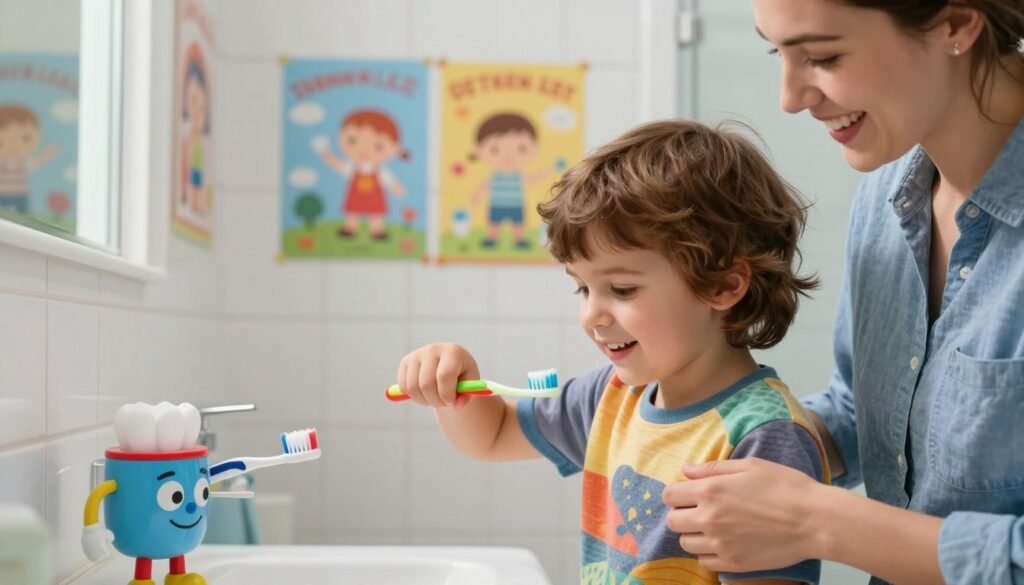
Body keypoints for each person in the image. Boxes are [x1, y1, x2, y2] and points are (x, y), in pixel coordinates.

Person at [662, 2, 1024, 584]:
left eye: (823, 56)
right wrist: (695, 439)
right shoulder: (888, 194)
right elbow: (870, 417)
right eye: (777, 51)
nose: (789, 98)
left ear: (956, 25)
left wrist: (819, 522)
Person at [395, 119, 829, 584]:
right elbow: (494, 434)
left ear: (723, 285)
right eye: (583, 289)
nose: (591, 316)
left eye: (622, 289)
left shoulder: (764, 437)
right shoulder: (613, 395)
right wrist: (452, 383)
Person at [316, 109, 408, 241]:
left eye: (378, 146)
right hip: (356, 195)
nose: (364, 149)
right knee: (352, 210)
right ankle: (350, 228)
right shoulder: (352, 167)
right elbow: (337, 164)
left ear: (394, 149)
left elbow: (389, 180)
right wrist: (325, 153)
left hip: (374, 196)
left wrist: (396, 187)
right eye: (352, 141)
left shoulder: (380, 170)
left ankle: (377, 230)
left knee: (376, 212)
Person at [468, 112, 555, 249]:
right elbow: (484, 185)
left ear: (534, 148)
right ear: (478, 150)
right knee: (494, 223)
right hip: (497, 205)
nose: (508, 155)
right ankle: (492, 238)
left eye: (521, 148)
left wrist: (547, 170)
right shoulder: (495, 176)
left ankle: (519, 239)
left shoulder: (518, 176)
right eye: (495, 149)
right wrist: (477, 195)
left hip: (515, 205)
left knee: (518, 223)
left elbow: (532, 179)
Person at [0, 104, 59, 215]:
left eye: (26, 139)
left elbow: (35, 162)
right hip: (2, 194)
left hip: (19, 195)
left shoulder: (22, 164)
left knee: (22, 217)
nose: (14, 147)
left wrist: (47, 154)